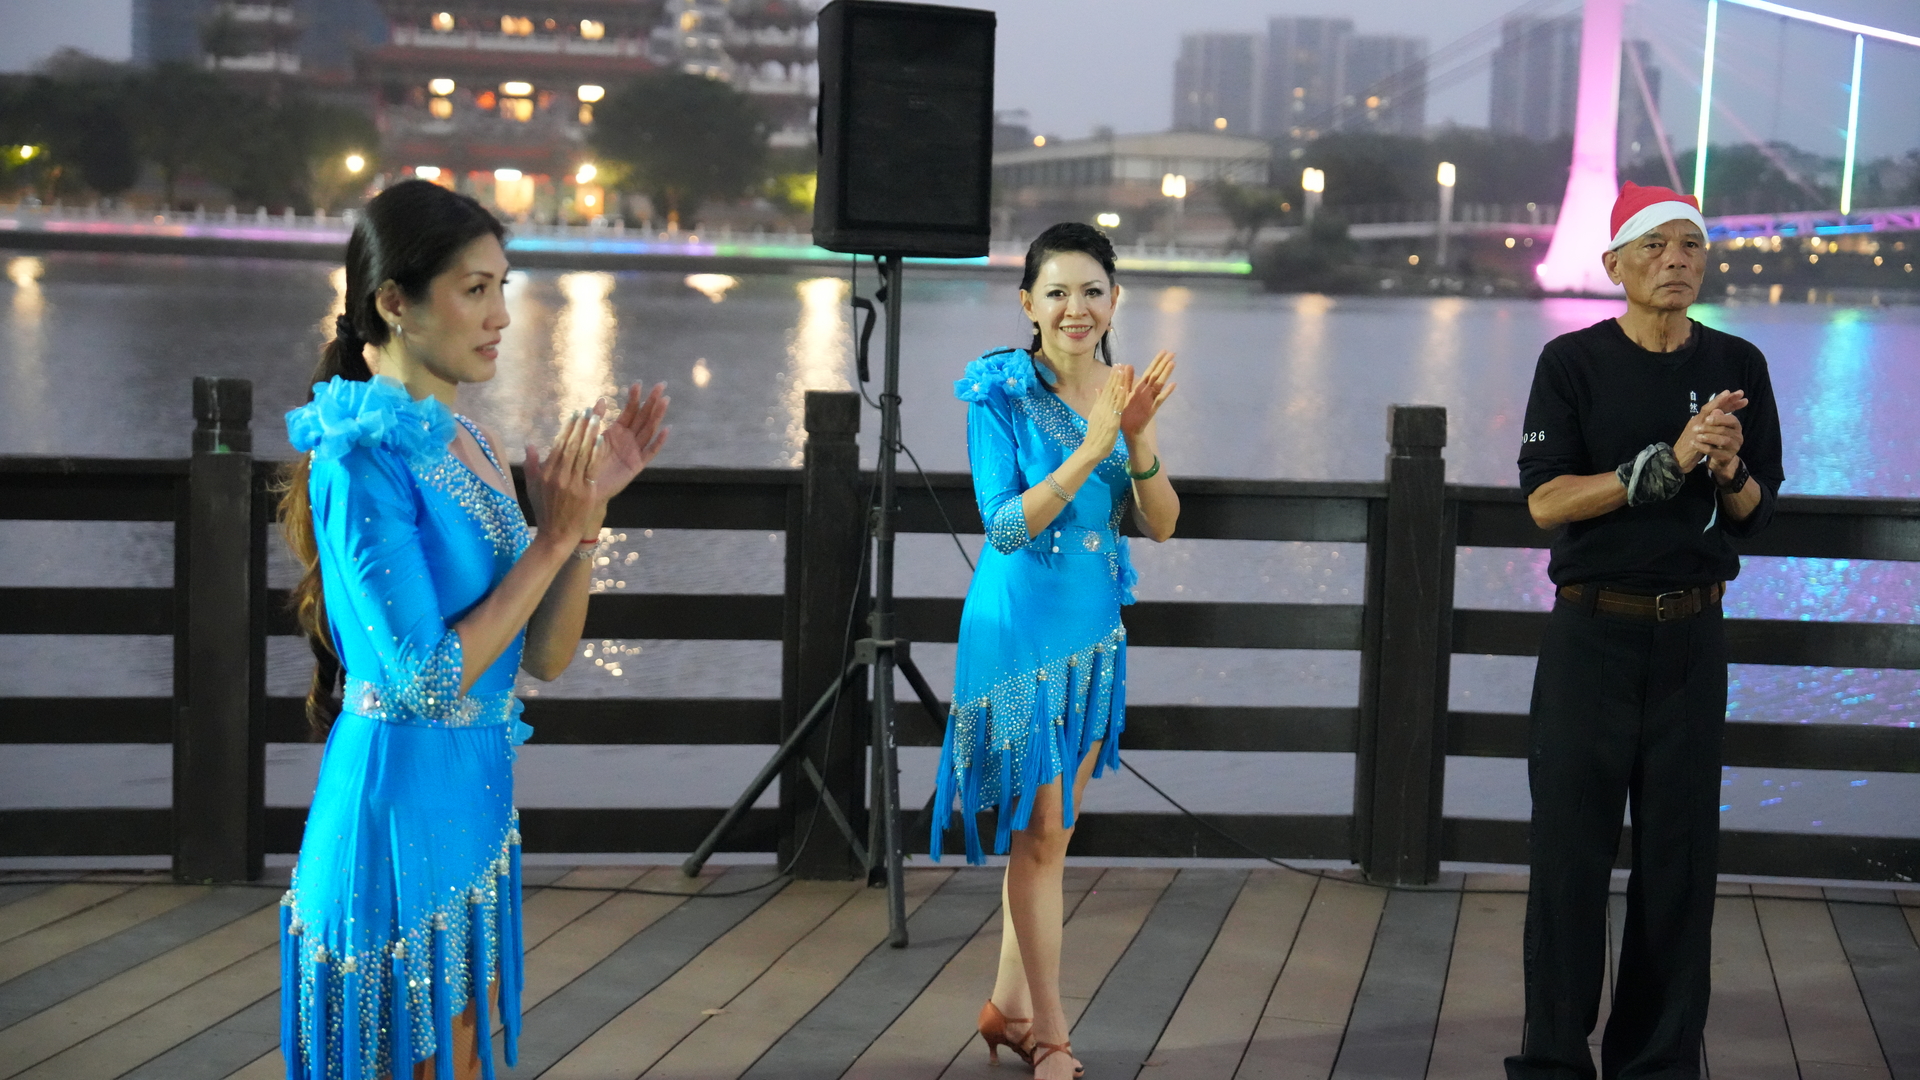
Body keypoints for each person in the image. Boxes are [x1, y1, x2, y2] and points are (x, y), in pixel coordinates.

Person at [275, 179, 669, 1080]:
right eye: (475, 289)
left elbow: (546, 657)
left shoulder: (471, 444)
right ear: (394, 301)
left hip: (472, 794)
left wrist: (584, 524)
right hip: (398, 797)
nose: (500, 316)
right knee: (412, 1055)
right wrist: (551, 537)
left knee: (456, 1045)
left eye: (504, 287)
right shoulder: (360, 456)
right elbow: (423, 679)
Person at [1507, 181, 1783, 1080]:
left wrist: (1729, 467)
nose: (1675, 261)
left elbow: (1756, 514)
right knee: (1569, 859)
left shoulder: (1740, 362)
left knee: (1679, 864)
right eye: (1655, 246)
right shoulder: (1572, 362)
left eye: (1690, 246)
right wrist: (1657, 466)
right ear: (1615, 264)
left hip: (1694, 640)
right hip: (1592, 635)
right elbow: (1546, 501)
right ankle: (1553, 1062)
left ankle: (1658, 1065)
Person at [932, 222, 1180, 1080]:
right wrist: (1089, 450)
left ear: (1115, 300)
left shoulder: (1122, 389)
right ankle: (1051, 1035)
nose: (1077, 308)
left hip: (1092, 638)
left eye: (1092, 291)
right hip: (1018, 630)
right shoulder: (999, 390)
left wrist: (1137, 439)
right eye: (1057, 292)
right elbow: (1004, 526)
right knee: (1040, 831)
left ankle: (1006, 1008)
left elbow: (1162, 522)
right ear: (1028, 304)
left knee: (1050, 837)